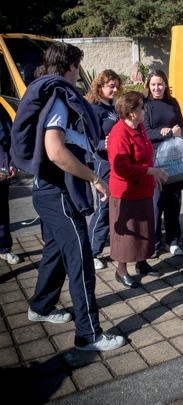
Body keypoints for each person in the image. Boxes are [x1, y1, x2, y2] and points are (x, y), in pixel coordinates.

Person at [10, 42, 125, 351]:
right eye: (79, 67)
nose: (80, 74)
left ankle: (41, 306)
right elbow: (56, 152)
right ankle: (89, 335)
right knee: (82, 262)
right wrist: (95, 178)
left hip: (46, 191)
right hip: (58, 193)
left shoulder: (45, 91)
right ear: (72, 66)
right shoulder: (59, 97)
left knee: (58, 252)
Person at [108, 91, 168, 288]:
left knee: (144, 230)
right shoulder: (119, 132)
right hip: (125, 192)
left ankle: (142, 263)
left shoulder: (140, 126)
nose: (145, 109)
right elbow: (121, 167)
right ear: (131, 112)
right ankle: (121, 270)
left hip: (143, 188)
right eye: (141, 106)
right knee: (126, 236)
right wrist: (149, 171)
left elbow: (147, 154)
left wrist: (153, 176)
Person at [143, 70, 183, 256]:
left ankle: (173, 241)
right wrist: (169, 132)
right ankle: (154, 243)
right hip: (154, 161)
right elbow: (146, 132)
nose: (157, 88)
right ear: (148, 86)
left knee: (173, 202)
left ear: (165, 85)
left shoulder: (172, 102)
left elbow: (182, 128)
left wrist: (177, 133)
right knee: (155, 203)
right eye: (153, 84)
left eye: (160, 84)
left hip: (174, 159)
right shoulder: (145, 105)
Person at [86, 70, 123, 270]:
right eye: (111, 86)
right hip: (103, 164)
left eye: (117, 86)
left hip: (120, 164)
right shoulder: (94, 109)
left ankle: (119, 247)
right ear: (100, 86)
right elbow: (89, 141)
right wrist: (104, 144)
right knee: (105, 207)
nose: (115, 89)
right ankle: (92, 252)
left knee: (119, 207)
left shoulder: (115, 107)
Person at [0, 103, 20, 265]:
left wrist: (13, 161)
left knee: (1, 211)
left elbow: (11, 136)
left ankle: (4, 248)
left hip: (0, 167)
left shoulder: (1, 108)